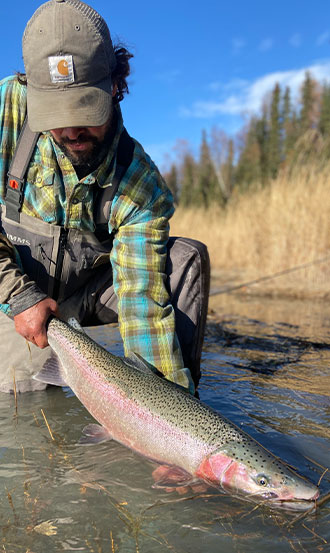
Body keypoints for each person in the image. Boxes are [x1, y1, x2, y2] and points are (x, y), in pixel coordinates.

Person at [0, 0, 210, 395]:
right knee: (21, 402)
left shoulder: (140, 182)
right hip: (11, 290)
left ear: (115, 86)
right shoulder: (6, 110)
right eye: (55, 116)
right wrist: (17, 294)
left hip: (88, 293)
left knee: (184, 259)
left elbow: (142, 303)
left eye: (85, 110)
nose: (71, 131)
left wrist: (169, 418)